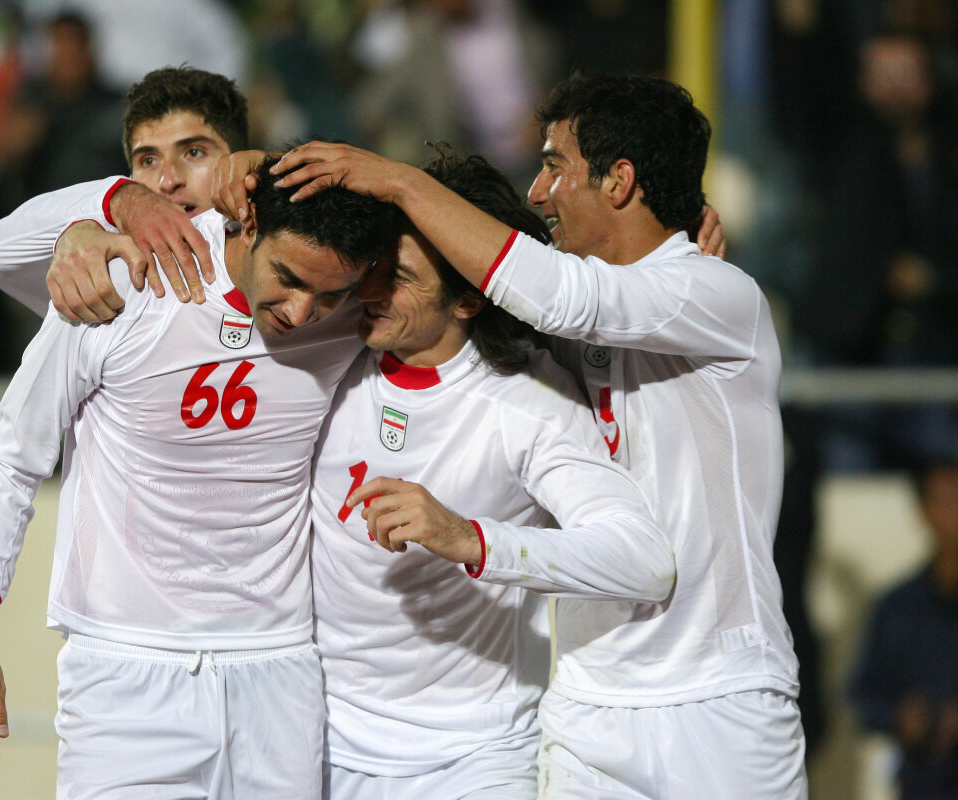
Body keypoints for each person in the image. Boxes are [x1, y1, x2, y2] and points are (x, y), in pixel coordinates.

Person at [265, 70, 806, 798]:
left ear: (620, 181)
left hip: (718, 699)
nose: (538, 193)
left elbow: (560, 295)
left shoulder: (715, 293)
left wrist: (399, 182)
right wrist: (247, 177)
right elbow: (517, 305)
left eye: (554, 167)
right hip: (586, 706)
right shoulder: (550, 333)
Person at [0, 157, 398, 796]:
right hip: (125, 672)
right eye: (288, 278)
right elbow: (12, 463)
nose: (301, 312)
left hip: (281, 673)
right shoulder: (119, 281)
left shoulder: (362, 313)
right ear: (249, 223)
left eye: (330, 295)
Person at [311, 149, 672, 799]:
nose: (368, 291)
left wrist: (470, 538)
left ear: (470, 300)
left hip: (474, 759)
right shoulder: (320, 353)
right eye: (375, 266)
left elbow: (642, 559)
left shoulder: (529, 403)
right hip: (322, 743)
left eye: (401, 278)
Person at [0, 64, 247, 321]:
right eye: (148, 160)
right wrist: (110, 206)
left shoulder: (271, 254)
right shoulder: (108, 274)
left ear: (239, 161)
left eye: (194, 153)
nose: (168, 180)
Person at [850, 460, 958, 800]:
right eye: (945, 500)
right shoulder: (898, 605)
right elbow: (862, 695)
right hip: (922, 779)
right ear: (923, 511)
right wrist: (900, 717)